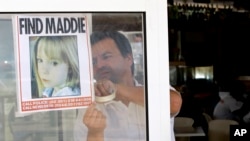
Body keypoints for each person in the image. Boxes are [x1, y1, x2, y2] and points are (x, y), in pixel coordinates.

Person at [73, 31, 182, 141]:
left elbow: (174, 103)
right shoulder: (90, 106)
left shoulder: (152, 89)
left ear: (129, 58)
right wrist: (95, 132)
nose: (99, 65)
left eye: (106, 57)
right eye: (93, 62)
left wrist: (116, 89)